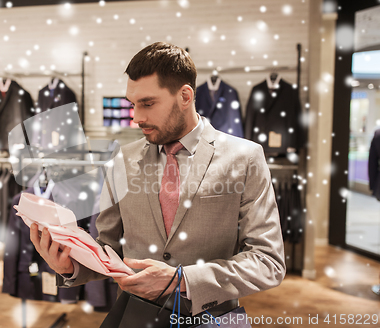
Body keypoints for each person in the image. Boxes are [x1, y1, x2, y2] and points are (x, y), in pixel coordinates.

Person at [30, 42, 286, 317]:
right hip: (135, 315)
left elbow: (267, 261)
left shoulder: (245, 157)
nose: (137, 117)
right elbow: (108, 248)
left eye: (148, 104)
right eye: (132, 104)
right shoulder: (121, 160)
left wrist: (184, 279)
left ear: (185, 96)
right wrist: (71, 266)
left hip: (213, 317)